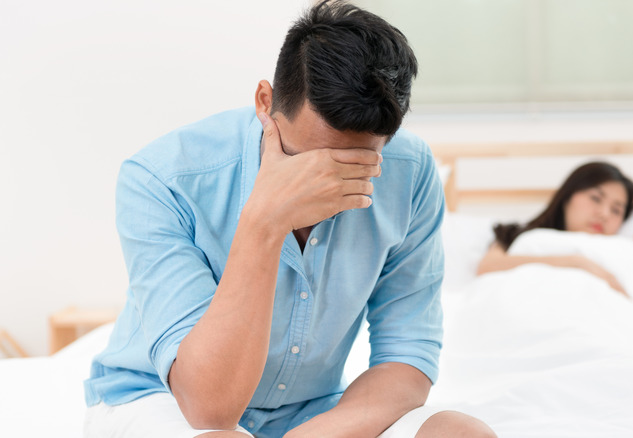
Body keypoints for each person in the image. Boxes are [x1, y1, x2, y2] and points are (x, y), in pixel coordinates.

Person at [83, 2, 495, 437]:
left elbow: (407, 356)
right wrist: (265, 221)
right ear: (265, 102)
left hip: (310, 412)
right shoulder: (163, 179)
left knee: (461, 432)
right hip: (164, 400)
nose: (325, 187)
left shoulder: (408, 171)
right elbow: (210, 409)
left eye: (355, 168)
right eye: (306, 164)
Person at [477, 161, 633, 296]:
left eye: (616, 210)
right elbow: (488, 267)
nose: (604, 214)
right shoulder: (515, 235)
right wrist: (576, 262)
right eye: (596, 199)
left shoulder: (625, 249)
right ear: (567, 197)